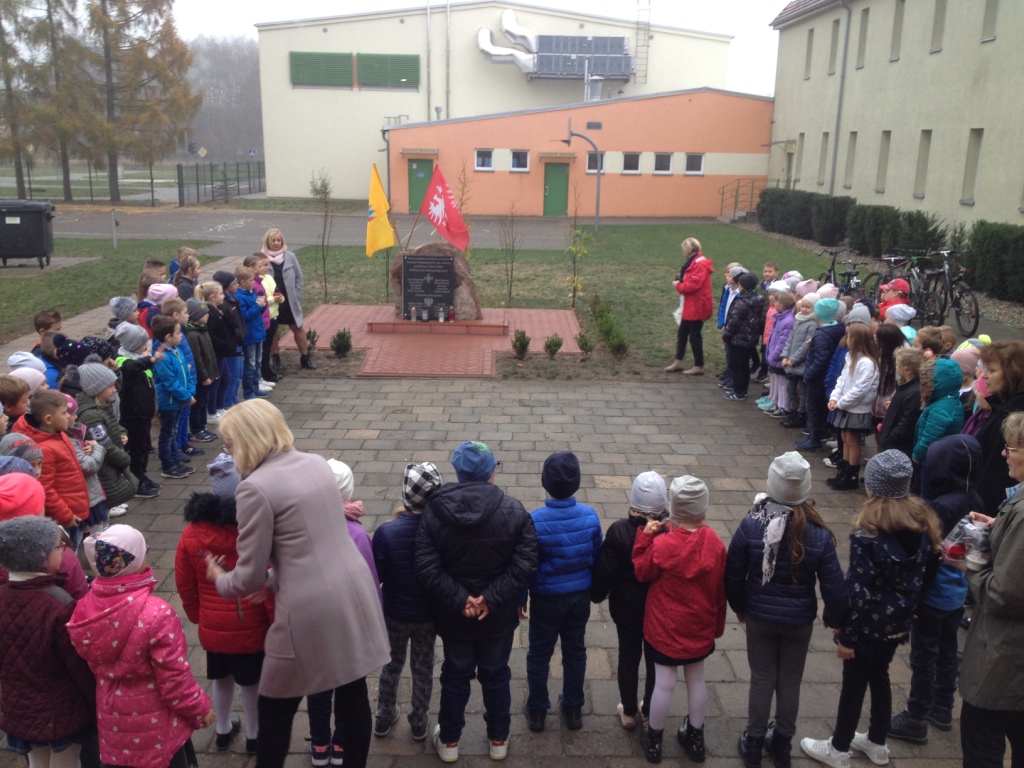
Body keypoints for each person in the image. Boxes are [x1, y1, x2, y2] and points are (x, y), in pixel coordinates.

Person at [204, 399, 389, 768]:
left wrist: (220, 579)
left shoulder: (253, 488)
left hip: (308, 609)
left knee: (274, 705)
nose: (226, 451)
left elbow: (250, 573)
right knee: (352, 691)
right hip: (352, 587)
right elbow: (309, 543)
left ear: (246, 440)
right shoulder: (316, 463)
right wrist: (271, 580)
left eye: (228, 444)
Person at [800, 450, 941, 768]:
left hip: (866, 629)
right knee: (880, 675)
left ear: (874, 489)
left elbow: (860, 593)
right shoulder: (922, 523)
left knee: (853, 684)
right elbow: (931, 567)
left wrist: (847, 637)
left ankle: (837, 749)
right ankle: (877, 741)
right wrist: (913, 605)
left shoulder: (868, 535)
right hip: (898, 624)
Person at [414, 440, 539, 763]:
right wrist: (491, 598)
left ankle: (451, 741)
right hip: (496, 617)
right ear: (491, 474)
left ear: (457, 472)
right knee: (496, 673)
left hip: (455, 616)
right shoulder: (514, 511)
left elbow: (427, 567)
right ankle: (499, 739)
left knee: (455, 673)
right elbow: (526, 562)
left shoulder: (434, 512)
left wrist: (461, 599)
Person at [726, 453, 846, 768]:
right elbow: (834, 586)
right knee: (790, 680)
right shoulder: (819, 532)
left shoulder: (752, 523)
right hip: (798, 621)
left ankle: (753, 743)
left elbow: (734, 571)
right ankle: (781, 744)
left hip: (759, 616)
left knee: (762, 678)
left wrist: (738, 606)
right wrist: (834, 620)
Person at [68, 525, 215, 768]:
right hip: (156, 729)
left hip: (113, 725)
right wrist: (200, 710)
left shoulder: (85, 608)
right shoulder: (156, 613)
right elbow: (174, 680)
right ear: (132, 562)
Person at [888, 434, 982, 744]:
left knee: (923, 657)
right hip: (956, 595)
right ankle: (943, 707)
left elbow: (927, 559)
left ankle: (916, 717)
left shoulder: (939, 507)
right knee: (947, 653)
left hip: (933, 595)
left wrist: (912, 598)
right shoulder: (975, 499)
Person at [176, 454, 269, 755]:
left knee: (220, 677)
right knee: (252, 683)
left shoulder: (192, 534)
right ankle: (255, 735)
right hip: (251, 625)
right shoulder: (254, 529)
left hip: (213, 626)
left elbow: (185, 580)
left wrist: (196, 615)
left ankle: (223, 727)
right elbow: (267, 578)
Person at [633, 475, 726, 764]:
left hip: (665, 628)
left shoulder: (662, 545)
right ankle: (696, 738)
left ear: (672, 509)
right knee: (696, 678)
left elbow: (641, 572)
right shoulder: (714, 542)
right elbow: (720, 589)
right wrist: (718, 626)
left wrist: (645, 537)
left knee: (664, 683)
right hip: (699, 626)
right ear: (704, 510)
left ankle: (654, 740)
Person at [955, 412, 1024, 767]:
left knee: (981, 738)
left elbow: (1004, 593)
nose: (1004, 454)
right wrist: (999, 527)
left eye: (1011, 448)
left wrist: (972, 562)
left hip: (1005, 656)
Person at [0, 516, 97, 768]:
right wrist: (96, 701)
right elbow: (78, 665)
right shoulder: (59, 604)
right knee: (67, 763)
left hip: (17, 706)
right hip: (61, 709)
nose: (63, 550)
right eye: (58, 547)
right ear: (40, 556)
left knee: (36, 763)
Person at [305, 459, 381, 765]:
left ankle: (320, 745)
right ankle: (341, 744)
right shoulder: (358, 537)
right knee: (351, 693)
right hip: (348, 631)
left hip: (312, 629)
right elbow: (369, 588)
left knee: (318, 690)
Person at [521, 451, 602, 732]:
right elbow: (596, 556)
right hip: (579, 597)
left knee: (539, 653)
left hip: (546, 598)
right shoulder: (590, 517)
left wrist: (521, 598)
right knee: (575, 651)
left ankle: (538, 708)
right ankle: (573, 707)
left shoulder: (535, 520)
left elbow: (527, 564)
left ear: (544, 483)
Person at [370, 462, 443, 744]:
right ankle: (419, 721)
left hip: (394, 614)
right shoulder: (438, 532)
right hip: (427, 615)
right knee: (423, 669)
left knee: (391, 665)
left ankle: (384, 715)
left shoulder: (386, 533)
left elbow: (377, 575)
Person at [590, 471, 667, 731]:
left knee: (628, 655)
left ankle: (629, 710)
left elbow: (605, 570)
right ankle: (649, 708)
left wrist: (597, 593)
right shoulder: (669, 533)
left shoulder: (619, 531)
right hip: (659, 610)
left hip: (626, 608)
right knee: (654, 659)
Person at [12, 390, 89, 540]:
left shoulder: (59, 433)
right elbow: (45, 488)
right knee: (68, 549)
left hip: (74, 506)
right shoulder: (45, 449)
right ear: (48, 419)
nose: (69, 416)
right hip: (66, 515)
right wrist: (65, 516)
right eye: (64, 412)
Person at [75, 363, 138, 511]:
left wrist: (122, 432)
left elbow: (112, 424)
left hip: (108, 466)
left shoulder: (100, 406)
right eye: (110, 386)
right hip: (104, 470)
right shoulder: (91, 415)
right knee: (104, 509)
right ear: (96, 389)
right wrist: (125, 459)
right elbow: (105, 446)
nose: (115, 389)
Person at [826, 323, 880, 491]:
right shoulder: (850, 357)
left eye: (849, 337)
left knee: (852, 439)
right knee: (844, 437)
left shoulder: (867, 363)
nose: (846, 340)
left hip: (857, 408)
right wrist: (835, 397)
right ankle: (843, 469)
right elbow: (842, 380)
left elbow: (860, 390)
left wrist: (841, 402)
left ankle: (851, 474)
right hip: (846, 405)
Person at [114, 322, 163, 499]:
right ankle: (136, 481)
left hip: (144, 413)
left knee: (143, 447)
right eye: (143, 343)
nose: (146, 346)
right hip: (134, 413)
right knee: (137, 449)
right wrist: (150, 360)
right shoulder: (124, 362)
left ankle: (142, 475)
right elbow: (132, 368)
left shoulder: (137, 358)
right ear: (134, 345)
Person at [974, 340, 1024, 513]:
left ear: (1012, 374)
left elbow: (994, 474)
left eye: (992, 370)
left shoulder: (1012, 416)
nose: (984, 376)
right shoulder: (1003, 406)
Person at [262, 228, 315, 370]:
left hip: (289, 302)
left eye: (279, 240)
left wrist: (296, 295)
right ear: (268, 241)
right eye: (273, 240)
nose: (277, 243)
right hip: (271, 302)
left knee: (298, 328)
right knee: (272, 330)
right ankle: (276, 357)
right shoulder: (261, 258)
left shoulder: (290, 256)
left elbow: (299, 277)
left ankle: (305, 357)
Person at [150, 315, 196, 480]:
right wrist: (186, 396)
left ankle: (175, 459)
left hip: (179, 400)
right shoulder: (163, 358)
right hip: (169, 403)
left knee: (174, 431)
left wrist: (190, 391)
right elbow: (170, 383)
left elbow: (186, 373)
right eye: (178, 333)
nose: (181, 335)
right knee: (167, 433)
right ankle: (167, 465)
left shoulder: (177, 351)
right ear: (168, 337)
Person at [796, 298, 845, 452]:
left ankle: (814, 438)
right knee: (820, 408)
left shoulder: (822, 335)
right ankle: (818, 433)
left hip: (817, 378)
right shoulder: (837, 329)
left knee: (813, 408)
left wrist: (808, 375)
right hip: (826, 376)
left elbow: (821, 358)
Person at [912, 358, 965, 495]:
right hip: (937, 459)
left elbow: (930, 436)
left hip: (932, 461)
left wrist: (917, 454)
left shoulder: (940, 408)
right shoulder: (948, 401)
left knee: (927, 495)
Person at [665, 237, 714, 375]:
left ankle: (699, 365)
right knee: (683, 333)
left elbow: (692, 285)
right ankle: (678, 361)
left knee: (694, 335)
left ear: (688, 250)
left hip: (697, 306)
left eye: (683, 249)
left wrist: (678, 285)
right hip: (691, 305)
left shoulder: (699, 265)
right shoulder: (695, 263)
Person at [722, 272, 765, 401]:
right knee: (744, 364)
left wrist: (726, 335)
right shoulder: (758, 300)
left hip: (738, 338)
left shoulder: (742, 302)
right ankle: (743, 390)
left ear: (742, 286)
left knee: (735, 365)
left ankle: (738, 391)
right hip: (751, 338)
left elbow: (734, 321)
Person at [779, 293, 820, 430]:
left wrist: (793, 359)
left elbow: (806, 346)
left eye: (808, 307)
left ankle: (801, 415)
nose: (803, 309)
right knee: (790, 389)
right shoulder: (798, 320)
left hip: (801, 365)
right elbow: (790, 340)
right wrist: (785, 355)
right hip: (791, 362)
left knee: (802, 392)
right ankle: (794, 411)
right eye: (802, 306)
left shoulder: (812, 324)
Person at [182, 299, 219, 443]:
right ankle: (196, 429)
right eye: (204, 313)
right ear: (196, 316)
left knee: (204, 402)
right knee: (198, 404)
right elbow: (197, 359)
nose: (208, 315)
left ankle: (202, 427)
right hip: (200, 377)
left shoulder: (202, 330)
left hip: (208, 374)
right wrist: (204, 376)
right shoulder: (192, 335)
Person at [878, 348, 923, 460]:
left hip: (897, 446)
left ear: (907, 369)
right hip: (891, 442)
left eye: (897, 363)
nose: (895, 366)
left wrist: (890, 438)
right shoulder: (905, 385)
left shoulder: (914, 392)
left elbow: (908, 422)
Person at [234, 265, 270, 400]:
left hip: (258, 332)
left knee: (258, 362)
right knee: (250, 364)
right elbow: (244, 315)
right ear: (242, 282)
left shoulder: (251, 292)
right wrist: (257, 306)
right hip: (250, 335)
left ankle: (256, 387)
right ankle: (248, 392)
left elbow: (258, 311)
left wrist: (263, 304)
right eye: (250, 280)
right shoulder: (239, 296)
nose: (253, 282)